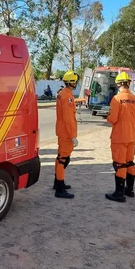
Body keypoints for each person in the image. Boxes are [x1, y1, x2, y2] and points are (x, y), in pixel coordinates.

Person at [105, 72, 135, 203]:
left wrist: (108, 117)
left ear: (118, 83)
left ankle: (119, 194)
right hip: (131, 136)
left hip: (119, 137)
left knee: (119, 164)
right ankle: (129, 190)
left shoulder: (116, 99)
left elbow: (112, 119)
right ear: (129, 83)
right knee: (129, 162)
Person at [53, 70, 79, 199]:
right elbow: (68, 118)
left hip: (61, 131)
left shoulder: (62, 94)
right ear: (73, 82)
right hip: (66, 133)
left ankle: (57, 182)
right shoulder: (67, 96)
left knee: (60, 157)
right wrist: (73, 136)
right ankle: (59, 188)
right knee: (64, 159)